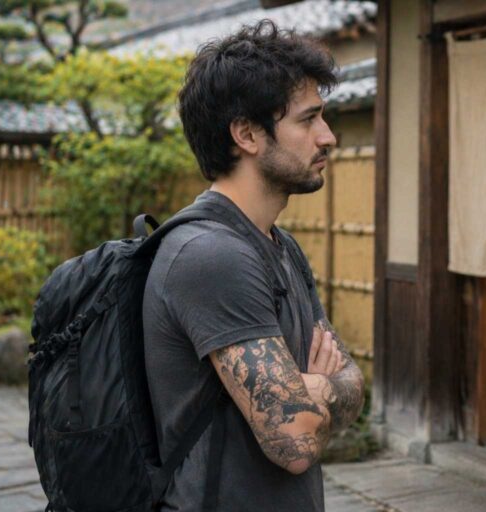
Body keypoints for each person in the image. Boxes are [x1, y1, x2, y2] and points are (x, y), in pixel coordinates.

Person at [143, 19, 365, 512]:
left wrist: (317, 389)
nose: (327, 137)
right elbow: (296, 442)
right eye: (308, 120)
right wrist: (318, 390)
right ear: (246, 134)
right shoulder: (211, 256)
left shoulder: (279, 246)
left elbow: (354, 381)